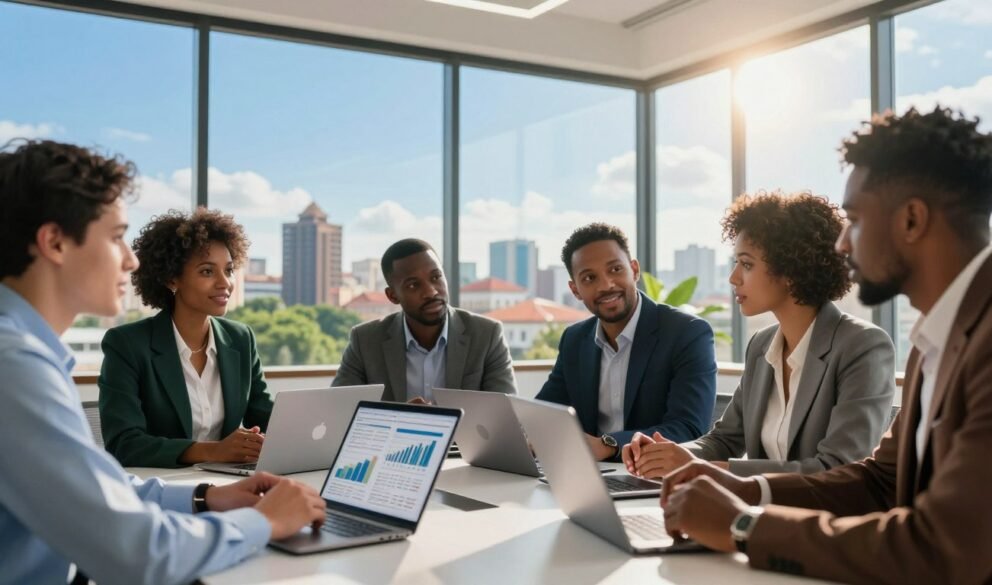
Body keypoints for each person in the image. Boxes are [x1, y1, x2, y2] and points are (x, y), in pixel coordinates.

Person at [659, 107, 992, 584]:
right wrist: (748, 490)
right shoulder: (939, 334)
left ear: (911, 220)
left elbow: (940, 549)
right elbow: (879, 482)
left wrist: (744, 525)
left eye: (853, 220)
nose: (842, 246)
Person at [0, 140, 324, 585]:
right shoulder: (14, 366)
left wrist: (206, 496)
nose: (131, 259)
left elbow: (100, 489)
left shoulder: (24, 354)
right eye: (116, 238)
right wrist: (265, 523)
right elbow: (139, 552)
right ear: (55, 242)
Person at [623, 192, 896, 479]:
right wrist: (665, 454)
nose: (733, 277)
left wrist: (705, 469)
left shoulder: (862, 346)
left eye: (747, 264)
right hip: (759, 516)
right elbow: (724, 440)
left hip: (826, 519)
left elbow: (838, 468)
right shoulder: (761, 346)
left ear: (791, 270)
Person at [99, 209, 275, 468]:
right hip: (162, 488)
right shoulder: (127, 344)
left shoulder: (240, 339)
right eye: (207, 271)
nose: (224, 282)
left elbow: (267, 418)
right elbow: (124, 444)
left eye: (228, 270)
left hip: (228, 482)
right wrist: (214, 451)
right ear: (172, 278)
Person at [536, 222, 717, 461]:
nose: (606, 285)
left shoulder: (687, 333)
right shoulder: (575, 340)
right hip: (591, 476)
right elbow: (544, 413)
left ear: (634, 270)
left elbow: (689, 427)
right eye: (589, 278)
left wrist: (610, 444)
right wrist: (528, 435)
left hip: (656, 480)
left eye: (615, 270)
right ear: (575, 290)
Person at [332, 238, 517, 402]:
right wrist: (401, 420)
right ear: (392, 296)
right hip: (397, 441)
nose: (431, 292)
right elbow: (339, 412)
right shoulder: (365, 340)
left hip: (462, 443)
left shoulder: (487, 335)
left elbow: (505, 417)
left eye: (436, 277)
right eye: (413, 285)